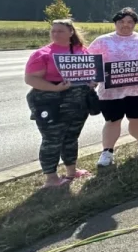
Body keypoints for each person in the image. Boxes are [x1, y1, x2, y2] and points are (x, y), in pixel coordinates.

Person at [87, 7, 138, 167]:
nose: (125, 25)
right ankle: (107, 152)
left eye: (130, 22)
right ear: (115, 22)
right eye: (121, 21)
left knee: (137, 118)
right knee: (113, 121)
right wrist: (93, 80)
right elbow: (90, 62)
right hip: (111, 92)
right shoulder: (102, 41)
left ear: (135, 24)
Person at [24, 19, 95, 188]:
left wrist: (91, 81)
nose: (55, 34)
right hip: (49, 102)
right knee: (52, 139)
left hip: (78, 102)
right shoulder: (43, 54)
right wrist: (54, 89)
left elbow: (89, 73)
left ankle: (72, 171)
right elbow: (31, 79)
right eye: (53, 31)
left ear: (71, 32)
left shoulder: (81, 51)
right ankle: (51, 178)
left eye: (60, 31)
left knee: (71, 137)